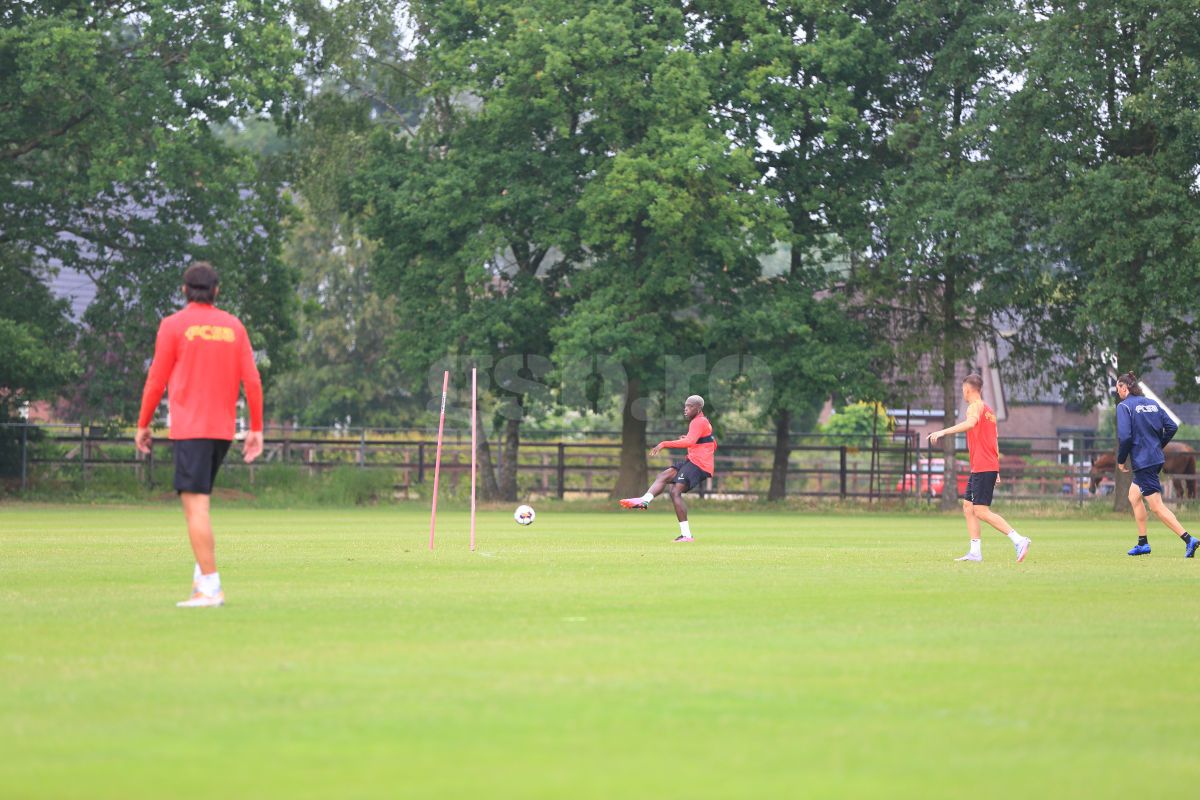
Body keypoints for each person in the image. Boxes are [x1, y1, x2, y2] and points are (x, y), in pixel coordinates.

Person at [135, 262, 264, 607]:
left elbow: (156, 380)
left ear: (184, 290)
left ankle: (210, 587)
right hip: (222, 432)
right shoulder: (233, 326)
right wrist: (256, 428)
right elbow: (252, 380)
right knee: (200, 508)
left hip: (191, 429)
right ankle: (200, 582)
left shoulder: (173, 325)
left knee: (196, 510)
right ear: (217, 291)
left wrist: (143, 423)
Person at [928, 374, 1031, 563]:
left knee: (981, 511)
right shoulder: (990, 411)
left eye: (962, 390)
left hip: (983, 466)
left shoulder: (974, 407)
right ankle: (975, 552)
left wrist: (943, 431)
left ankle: (1019, 540)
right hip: (983, 466)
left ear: (968, 389)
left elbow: (970, 423)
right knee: (968, 507)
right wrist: (997, 468)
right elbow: (994, 440)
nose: (963, 394)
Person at [1114, 372, 1198, 558]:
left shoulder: (1124, 407)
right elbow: (1172, 427)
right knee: (1134, 496)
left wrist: (1120, 460)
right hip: (1155, 458)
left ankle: (1188, 539)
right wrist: (1157, 445)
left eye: (1117, 388)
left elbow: (1125, 437)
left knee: (1156, 507)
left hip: (1143, 462)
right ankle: (1143, 543)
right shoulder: (1151, 403)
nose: (1117, 392)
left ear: (1124, 387)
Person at [619, 395, 716, 542]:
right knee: (663, 476)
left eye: (689, 406)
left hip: (698, 464)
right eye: (685, 406)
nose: (686, 409)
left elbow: (691, 442)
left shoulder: (698, 422)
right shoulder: (702, 422)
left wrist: (664, 443)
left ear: (698, 408)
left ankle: (687, 536)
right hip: (693, 460)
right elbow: (712, 442)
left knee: (675, 491)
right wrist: (692, 442)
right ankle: (644, 501)